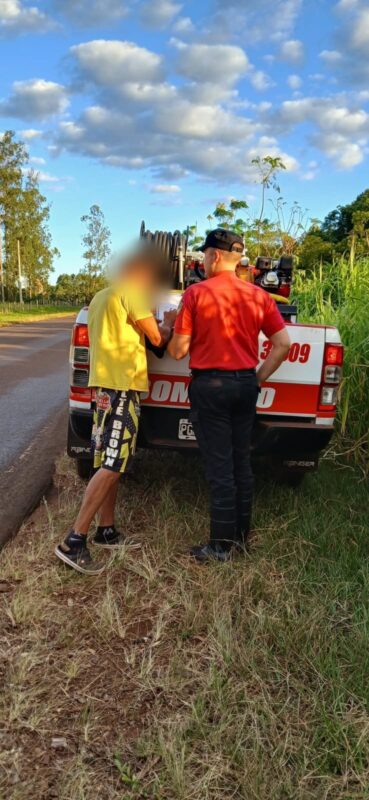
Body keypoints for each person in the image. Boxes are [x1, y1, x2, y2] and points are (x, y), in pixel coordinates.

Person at [168, 228, 290, 563]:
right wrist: (257, 379)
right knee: (241, 464)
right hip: (245, 386)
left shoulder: (196, 294)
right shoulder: (259, 296)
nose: (203, 261)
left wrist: (172, 324)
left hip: (211, 388)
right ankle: (241, 539)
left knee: (220, 468)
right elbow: (283, 344)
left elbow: (178, 351)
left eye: (204, 255)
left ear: (215, 256)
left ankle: (221, 547)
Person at [55, 245, 174, 575]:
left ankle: (106, 530)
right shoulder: (132, 294)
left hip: (103, 391)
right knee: (114, 463)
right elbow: (157, 338)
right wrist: (169, 321)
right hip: (124, 388)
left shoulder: (100, 297)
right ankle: (74, 540)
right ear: (143, 273)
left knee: (106, 460)